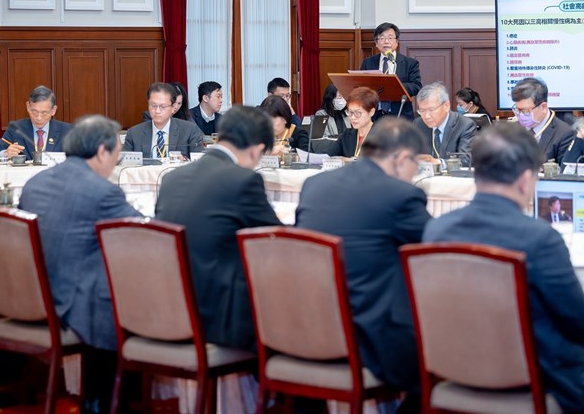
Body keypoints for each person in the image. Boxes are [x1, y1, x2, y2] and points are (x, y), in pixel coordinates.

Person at [423, 123, 584, 414]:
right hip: (533, 373)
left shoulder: (436, 230)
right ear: (526, 179)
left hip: (458, 365)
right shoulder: (540, 238)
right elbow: (578, 324)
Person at [295, 119, 431, 403]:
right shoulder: (400, 195)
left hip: (309, 327)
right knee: (445, 352)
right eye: (414, 167)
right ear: (402, 158)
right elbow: (434, 252)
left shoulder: (314, 184)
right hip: (367, 338)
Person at [18, 115, 141, 414]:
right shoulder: (102, 190)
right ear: (102, 151)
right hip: (74, 301)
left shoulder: (36, 182)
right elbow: (144, 236)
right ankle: (104, 400)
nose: (116, 162)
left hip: (34, 293)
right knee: (131, 292)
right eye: (117, 155)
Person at [155, 105, 281, 349]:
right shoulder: (242, 180)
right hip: (217, 316)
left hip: (171, 307)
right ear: (257, 150)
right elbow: (276, 243)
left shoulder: (172, 178)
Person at [0, 86, 72, 163]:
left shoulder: (66, 130)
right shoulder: (16, 129)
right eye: (34, 112)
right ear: (28, 106)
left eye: (44, 113)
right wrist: (5, 154)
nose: (39, 117)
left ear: (53, 110)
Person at [124, 82, 204, 159]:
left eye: (163, 106)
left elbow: (199, 164)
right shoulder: (134, 133)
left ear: (173, 107)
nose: (157, 111)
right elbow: (124, 165)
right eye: (153, 105)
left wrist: (184, 160)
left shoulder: (189, 130)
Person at [360, 22, 422, 120]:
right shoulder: (368, 63)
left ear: (397, 42)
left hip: (400, 115)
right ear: (376, 43)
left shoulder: (410, 63)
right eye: (382, 38)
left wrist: (394, 86)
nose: (386, 41)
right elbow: (362, 87)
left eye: (390, 37)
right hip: (374, 116)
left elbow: (416, 86)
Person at [511, 77, 575, 165]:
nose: (520, 115)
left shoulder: (564, 134)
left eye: (525, 111)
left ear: (543, 107)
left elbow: (563, 174)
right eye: (518, 110)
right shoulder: (512, 130)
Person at [413, 82, 475, 167]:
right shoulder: (418, 124)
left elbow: (466, 160)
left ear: (446, 106)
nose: (427, 116)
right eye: (422, 111)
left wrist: (439, 163)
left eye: (431, 109)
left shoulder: (465, 125)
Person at [325, 87, 377, 158]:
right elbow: (327, 155)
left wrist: (348, 160)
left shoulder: (382, 136)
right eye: (350, 112)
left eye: (358, 113)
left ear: (371, 112)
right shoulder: (347, 135)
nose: (352, 117)